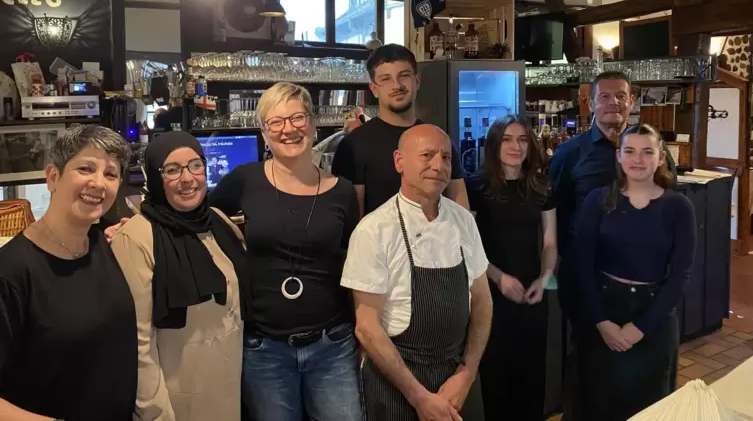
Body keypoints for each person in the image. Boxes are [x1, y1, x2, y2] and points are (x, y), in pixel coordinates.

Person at [209, 82, 362, 421]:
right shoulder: (245, 180)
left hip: (333, 345)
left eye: (297, 117)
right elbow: (197, 215)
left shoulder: (343, 192)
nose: (288, 129)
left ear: (313, 123)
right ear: (264, 132)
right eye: (275, 122)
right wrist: (136, 227)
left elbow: (355, 266)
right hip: (264, 349)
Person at [548, 71, 678, 418]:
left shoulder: (655, 150)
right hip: (587, 281)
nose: (613, 103)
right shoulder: (569, 154)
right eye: (604, 97)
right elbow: (554, 212)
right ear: (590, 103)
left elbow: (670, 206)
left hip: (645, 283)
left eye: (620, 96)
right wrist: (560, 263)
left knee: (648, 382)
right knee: (591, 373)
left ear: (631, 102)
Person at [342, 123, 492, 421]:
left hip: (457, 376)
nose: (438, 165)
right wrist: (420, 398)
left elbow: (483, 302)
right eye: (427, 155)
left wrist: (467, 373)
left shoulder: (463, 221)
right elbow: (367, 327)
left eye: (446, 157)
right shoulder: (373, 230)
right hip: (398, 380)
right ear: (399, 161)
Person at [0, 124, 137, 420]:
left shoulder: (106, 245)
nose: (99, 183)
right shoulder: (11, 271)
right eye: (86, 168)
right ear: (53, 177)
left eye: (110, 174)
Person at [109, 131, 249, 421]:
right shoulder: (137, 238)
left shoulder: (219, 222)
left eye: (195, 165)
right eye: (172, 170)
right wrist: (154, 411)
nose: (187, 179)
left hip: (230, 390)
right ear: (155, 178)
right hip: (177, 400)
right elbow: (137, 341)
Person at [574, 124, 695, 421]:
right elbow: (582, 265)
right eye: (629, 151)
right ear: (618, 156)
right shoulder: (598, 200)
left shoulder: (679, 207)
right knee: (599, 402)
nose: (637, 160)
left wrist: (640, 327)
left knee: (651, 407)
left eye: (647, 152)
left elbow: (680, 275)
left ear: (660, 158)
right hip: (604, 308)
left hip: (654, 316)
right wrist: (602, 322)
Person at [465, 115, 557, 421]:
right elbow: (467, 247)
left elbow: (549, 242)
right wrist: (498, 277)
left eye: (522, 140)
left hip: (533, 297)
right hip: (490, 298)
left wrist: (544, 279)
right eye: (507, 139)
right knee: (497, 383)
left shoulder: (542, 186)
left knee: (532, 380)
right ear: (493, 145)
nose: (515, 146)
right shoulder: (474, 187)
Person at [332, 44, 469, 217]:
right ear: (374, 89)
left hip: (436, 241)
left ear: (417, 81)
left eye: (404, 76)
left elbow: (461, 208)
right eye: (386, 79)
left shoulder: (438, 139)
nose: (396, 85)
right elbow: (354, 223)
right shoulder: (353, 145)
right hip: (379, 243)